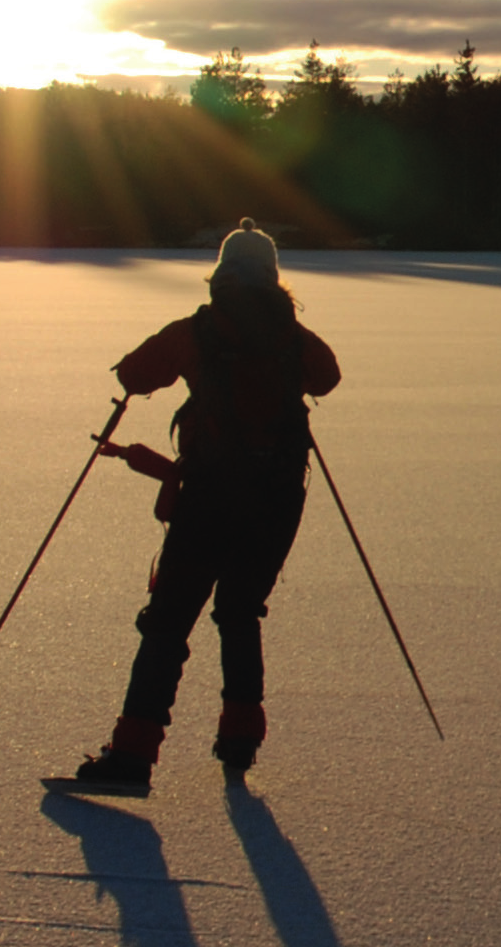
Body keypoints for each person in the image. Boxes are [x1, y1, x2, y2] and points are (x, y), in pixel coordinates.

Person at [76, 218, 341, 794]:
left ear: (220, 276)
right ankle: (241, 736)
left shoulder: (199, 330)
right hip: (277, 499)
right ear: (274, 279)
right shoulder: (295, 338)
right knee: (241, 612)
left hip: (211, 496)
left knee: (168, 622)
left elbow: (134, 372)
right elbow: (328, 379)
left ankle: (133, 754)